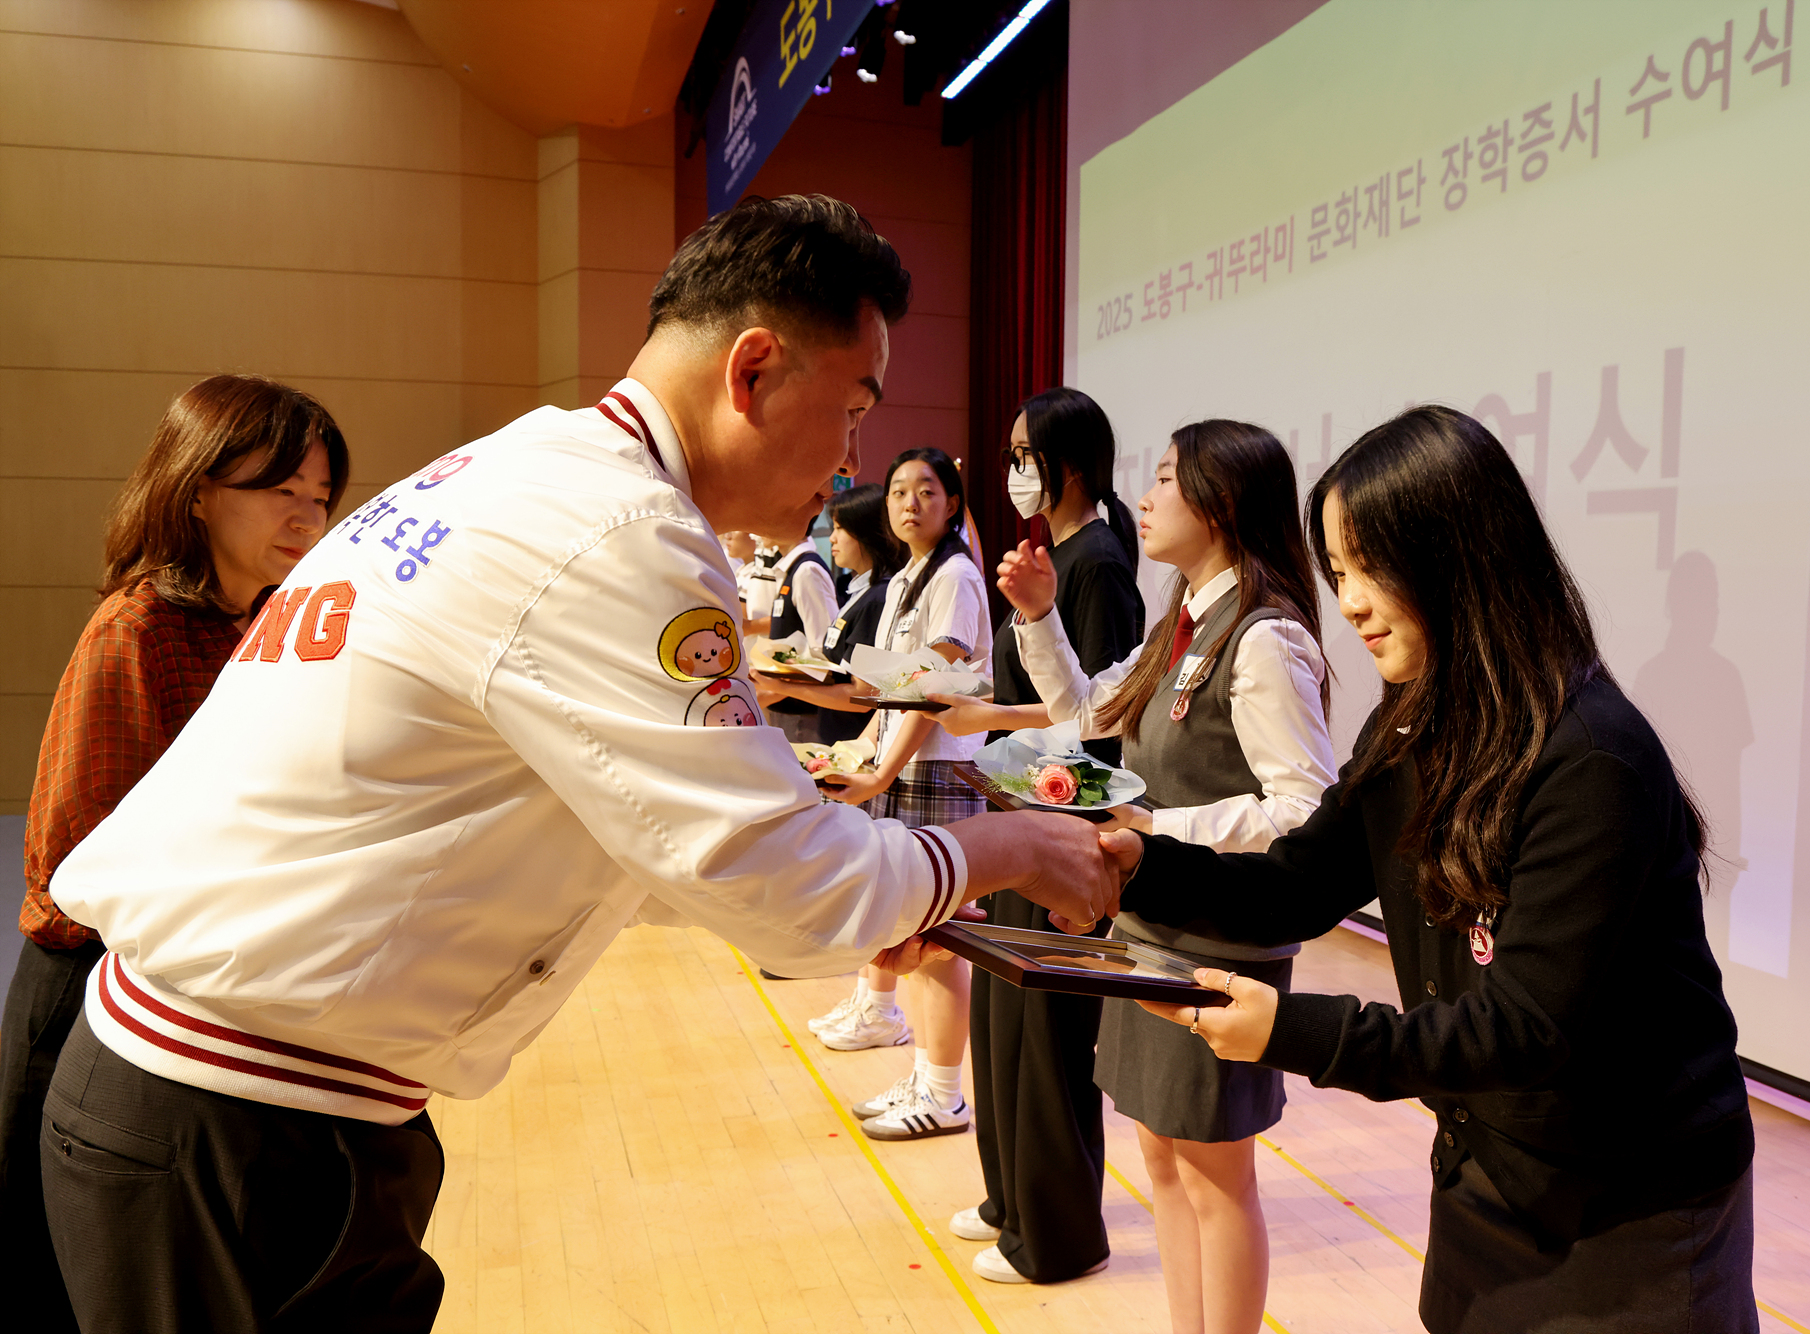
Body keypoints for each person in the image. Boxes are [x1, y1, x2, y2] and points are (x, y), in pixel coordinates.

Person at [39, 195, 1122, 1332]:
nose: (853, 457)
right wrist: (1012, 846)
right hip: (234, 1121)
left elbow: (619, 827)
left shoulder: (526, 468)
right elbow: (794, 892)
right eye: (853, 410)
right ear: (752, 369)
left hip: (222, 1096)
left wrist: (864, 880)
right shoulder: (623, 529)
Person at [1109, 406, 1758, 1334]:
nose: (1349, 603)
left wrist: (1289, 1030)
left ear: (1460, 554)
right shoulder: (1413, 723)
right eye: (1339, 573)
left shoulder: (1592, 757)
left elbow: (1522, 1029)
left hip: (1633, 1198)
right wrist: (1134, 867)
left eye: (1369, 567)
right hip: (1488, 1160)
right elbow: (1295, 884)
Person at [945, 419, 1336, 1308]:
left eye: (1165, 478)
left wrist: (1157, 826)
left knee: (1213, 1171)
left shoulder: (1265, 636)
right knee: (1162, 1155)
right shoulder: (1183, 622)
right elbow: (1088, 711)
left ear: (1221, 502)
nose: (1147, 498)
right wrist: (1039, 616)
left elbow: (1303, 810)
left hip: (1223, 936)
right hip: (1152, 926)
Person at [0, 373, 346, 1334]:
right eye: (278, 490)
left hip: (188, 985)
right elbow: (73, 866)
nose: (305, 516)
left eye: (320, 496)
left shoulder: (272, 622)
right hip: (85, 985)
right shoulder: (139, 628)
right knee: (51, 1267)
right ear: (196, 490)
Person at [937, 388, 1147, 1284]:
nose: (1015, 470)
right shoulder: (1049, 557)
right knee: (1004, 1018)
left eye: (1028, 455)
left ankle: (1057, 1236)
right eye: (1011, 454)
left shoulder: (1096, 561)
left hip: (1064, 820)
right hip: (1023, 804)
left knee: (1049, 1034)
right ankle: (1011, 1202)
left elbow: (1091, 713)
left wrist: (986, 715)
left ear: (1071, 464)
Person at [812, 449, 992, 1141]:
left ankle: (944, 1093)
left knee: (939, 939)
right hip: (904, 766)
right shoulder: (908, 578)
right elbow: (889, 689)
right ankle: (923, 1072)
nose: (909, 503)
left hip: (935, 772)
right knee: (910, 927)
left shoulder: (956, 575)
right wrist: (861, 749)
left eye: (926, 491)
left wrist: (882, 771)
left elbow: (932, 683)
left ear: (953, 504)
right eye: (897, 492)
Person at [752, 482, 899, 745]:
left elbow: (862, 695)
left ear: (865, 531)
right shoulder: (861, 592)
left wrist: (783, 686)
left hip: (853, 740)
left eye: (840, 528)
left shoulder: (877, 597)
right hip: (834, 731)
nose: (831, 538)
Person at [753, 508, 840, 742]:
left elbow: (824, 653)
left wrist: (774, 691)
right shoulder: (791, 568)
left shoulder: (807, 570)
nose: (759, 527)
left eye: (769, 515)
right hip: (786, 704)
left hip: (804, 711)